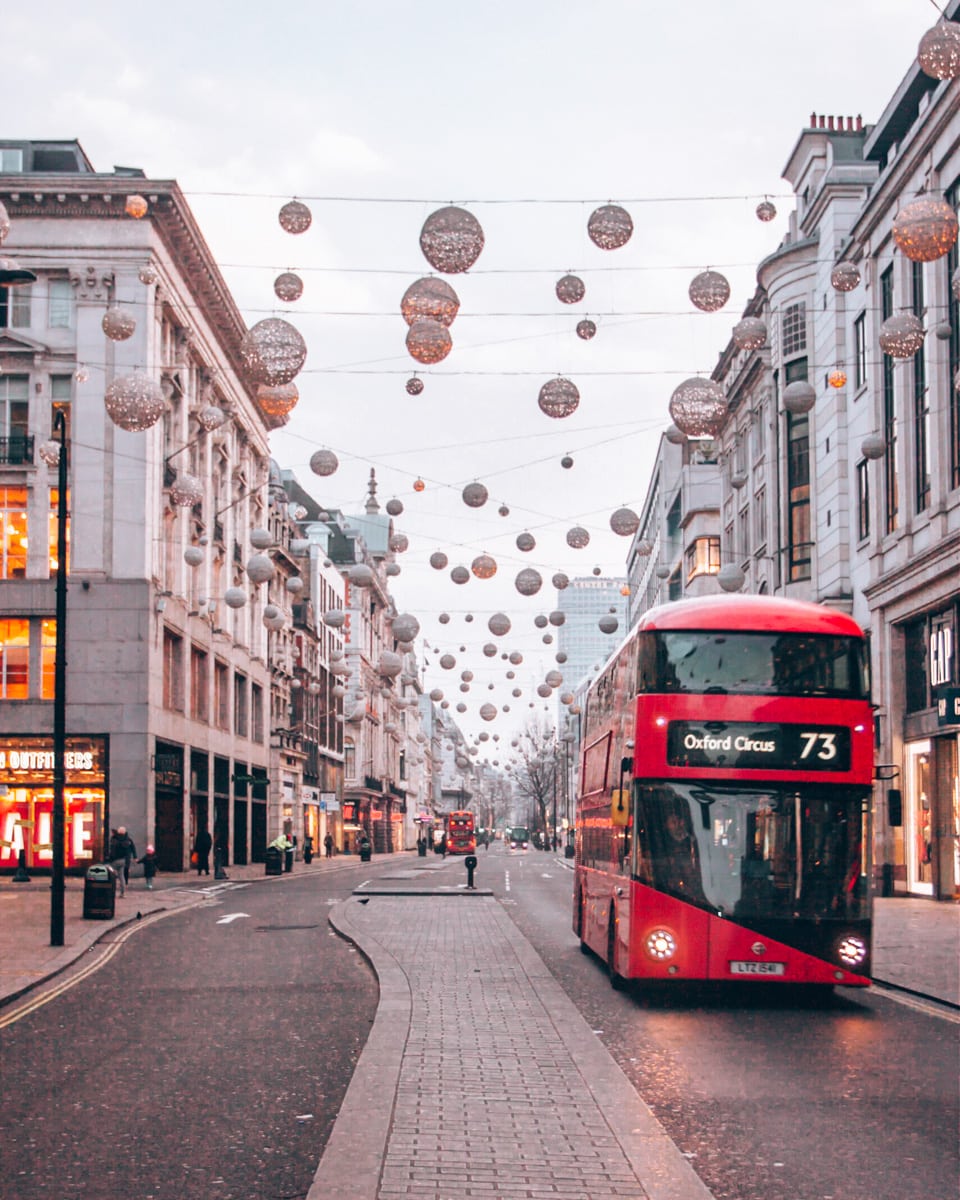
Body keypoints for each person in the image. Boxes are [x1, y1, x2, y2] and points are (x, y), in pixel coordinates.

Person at [108, 826, 136, 896]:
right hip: (123, 860)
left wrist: (110, 858)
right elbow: (133, 848)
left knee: (109, 873)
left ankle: (109, 891)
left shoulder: (115, 839)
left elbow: (113, 851)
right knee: (121, 876)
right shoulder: (128, 840)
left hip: (115, 860)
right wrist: (134, 857)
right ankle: (122, 892)